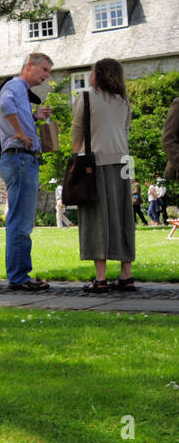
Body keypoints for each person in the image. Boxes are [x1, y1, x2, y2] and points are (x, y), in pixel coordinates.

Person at [72, 59, 136, 292]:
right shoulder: (123, 101)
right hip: (122, 163)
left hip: (94, 164)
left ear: (98, 75)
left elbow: (77, 130)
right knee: (122, 217)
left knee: (95, 218)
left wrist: (75, 158)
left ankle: (100, 278)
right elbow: (125, 131)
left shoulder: (86, 98)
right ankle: (126, 274)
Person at [0, 52, 54, 291]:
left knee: (20, 220)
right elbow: (5, 105)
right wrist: (20, 133)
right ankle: (20, 277)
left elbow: (11, 110)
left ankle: (19, 275)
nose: (46, 76)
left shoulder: (19, 89)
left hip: (19, 159)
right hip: (21, 158)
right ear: (30, 66)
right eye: (44, 70)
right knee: (21, 222)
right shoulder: (16, 86)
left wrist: (33, 117)